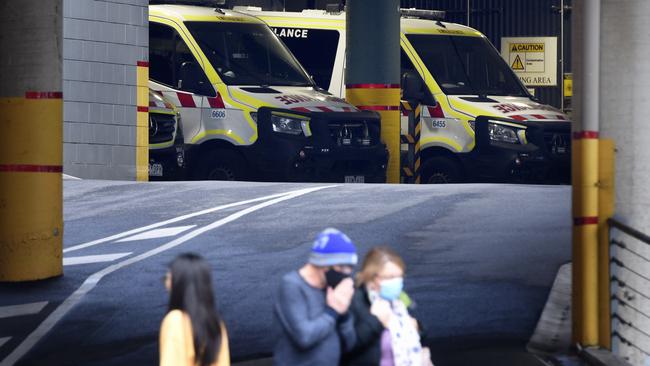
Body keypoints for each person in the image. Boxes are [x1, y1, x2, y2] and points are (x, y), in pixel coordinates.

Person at [273, 228, 358, 366]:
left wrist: (344, 315)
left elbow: (350, 343)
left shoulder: (332, 287)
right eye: (342, 267)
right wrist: (333, 311)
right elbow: (304, 337)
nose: (346, 273)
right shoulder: (292, 286)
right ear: (324, 264)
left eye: (349, 268)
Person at [343, 246, 432, 366]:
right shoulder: (354, 300)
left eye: (399, 277)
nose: (396, 282)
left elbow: (415, 333)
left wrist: (418, 327)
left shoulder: (398, 300)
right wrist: (376, 321)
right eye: (390, 277)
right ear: (372, 277)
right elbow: (346, 346)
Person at [160, 253, 230, 366]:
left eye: (168, 278)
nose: (166, 282)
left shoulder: (176, 320)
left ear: (179, 283)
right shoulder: (215, 323)